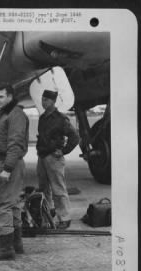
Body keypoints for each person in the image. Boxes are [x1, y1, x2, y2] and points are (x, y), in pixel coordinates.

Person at [0, 82, 29, 261]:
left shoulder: (15, 115)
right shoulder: (8, 113)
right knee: (14, 203)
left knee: (2, 204)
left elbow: (15, 144)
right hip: (7, 162)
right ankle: (15, 244)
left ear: (10, 96)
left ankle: (5, 248)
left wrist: (7, 169)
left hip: (8, 163)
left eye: (1, 96)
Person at [36, 89, 80, 229]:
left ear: (53, 101)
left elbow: (75, 137)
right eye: (42, 99)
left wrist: (64, 151)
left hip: (54, 158)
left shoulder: (61, 119)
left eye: (46, 100)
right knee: (44, 189)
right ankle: (48, 215)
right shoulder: (42, 118)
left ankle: (65, 218)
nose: (43, 102)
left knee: (58, 189)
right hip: (42, 157)